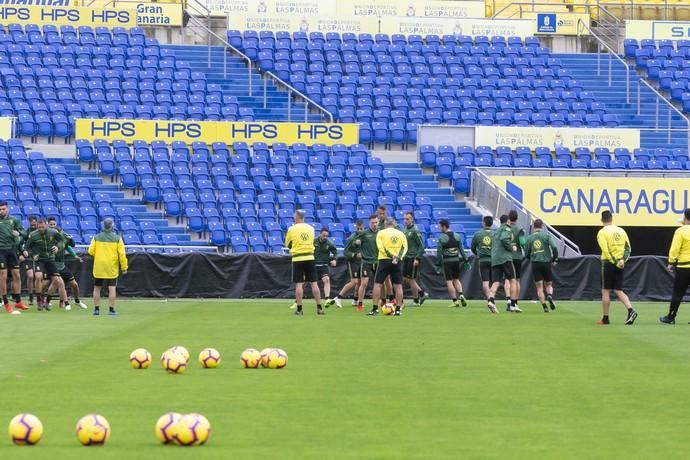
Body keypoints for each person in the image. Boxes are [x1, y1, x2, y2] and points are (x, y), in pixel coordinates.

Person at [596, 210, 637, 325]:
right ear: (612, 218)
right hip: (620, 263)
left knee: (605, 290)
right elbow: (628, 248)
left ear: (602, 219)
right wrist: (622, 260)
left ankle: (605, 318)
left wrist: (614, 261)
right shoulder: (621, 230)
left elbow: (605, 250)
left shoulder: (602, 232)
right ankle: (631, 310)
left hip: (609, 264)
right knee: (618, 290)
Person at [285, 210, 323, 316]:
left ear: (297, 217)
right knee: (314, 283)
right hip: (310, 257)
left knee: (299, 284)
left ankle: (299, 309)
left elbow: (288, 244)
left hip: (297, 258)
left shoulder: (291, 229)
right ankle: (319, 307)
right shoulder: (311, 228)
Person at [88, 218, 128, 316]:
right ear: (112, 226)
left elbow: (90, 251)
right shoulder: (117, 238)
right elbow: (122, 254)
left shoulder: (96, 237)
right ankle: (111, 310)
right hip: (111, 266)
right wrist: (124, 267)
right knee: (112, 288)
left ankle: (96, 309)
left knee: (97, 287)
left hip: (99, 266)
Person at [368, 217, 407, 316]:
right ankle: (398, 309)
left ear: (385, 224)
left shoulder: (381, 233)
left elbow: (380, 247)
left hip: (384, 260)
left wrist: (390, 256)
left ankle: (375, 308)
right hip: (397, 261)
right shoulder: (401, 234)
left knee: (378, 284)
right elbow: (405, 248)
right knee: (398, 285)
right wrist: (397, 258)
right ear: (394, 223)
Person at [48, 217, 87, 311]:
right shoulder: (49, 240)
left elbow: (70, 246)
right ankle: (65, 303)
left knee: (74, 284)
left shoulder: (63, 239)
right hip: (52, 265)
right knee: (59, 284)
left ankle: (77, 301)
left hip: (62, 266)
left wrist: (75, 256)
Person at [25, 218, 65, 311]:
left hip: (50, 259)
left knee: (56, 280)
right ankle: (39, 300)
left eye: (43, 227)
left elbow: (61, 241)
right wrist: (32, 254)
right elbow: (27, 247)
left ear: (46, 225)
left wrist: (57, 247)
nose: (41, 229)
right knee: (38, 276)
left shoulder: (53, 232)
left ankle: (47, 301)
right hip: (39, 260)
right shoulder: (33, 235)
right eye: (39, 227)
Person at [660, 208, 690, 324]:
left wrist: (671, 262)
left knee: (678, 292)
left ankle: (671, 317)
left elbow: (675, 248)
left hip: (684, 267)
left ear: (685, 217)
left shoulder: (681, 231)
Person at [524, 219, 558, 313]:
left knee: (539, 287)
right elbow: (554, 247)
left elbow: (526, 253)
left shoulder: (530, 238)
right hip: (546, 262)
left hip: (535, 263)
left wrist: (529, 258)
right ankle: (550, 296)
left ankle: (544, 306)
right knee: (549, 284)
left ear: (534, 226)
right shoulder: (546, 235)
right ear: (542, 226)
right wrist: (554, 258)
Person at [435, 219, 470, 308]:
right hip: (456, 260)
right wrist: (466, 260)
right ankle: (461, 294)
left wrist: (438, 264)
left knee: (449, 281)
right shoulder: (457, 236)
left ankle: (455, 301)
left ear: (443, 226)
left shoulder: (442, 238)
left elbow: (439, 253)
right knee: (457, 279)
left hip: (447, 261)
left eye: (440, 227)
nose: (439, 229)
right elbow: (462, 250)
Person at [0, 201, 27, 314]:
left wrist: (19, 234)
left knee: (16, 275)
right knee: (3, 276)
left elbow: (24, 233)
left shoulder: (14, 220)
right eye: (0, 209)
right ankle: (5, 303)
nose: (1, 211)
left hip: (11, 250)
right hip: (0, 250)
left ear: (8, 209)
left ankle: (18, 301)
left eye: (3, 209)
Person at [330, 220, 364, 309]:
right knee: (355, 281)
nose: (360, 230)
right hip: (353, 262)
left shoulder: (364, 237)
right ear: (355, 228)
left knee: (360, 282)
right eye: (358, 228)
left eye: (361, 228)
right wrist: (354, 255)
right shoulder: (351, 238)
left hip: (362, 262)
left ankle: (355, 300)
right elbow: (345, 252)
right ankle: (338, 297)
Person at [487, 214, 516, 314]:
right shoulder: (507, 229)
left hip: (495, 259)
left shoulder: (495, 232)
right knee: (512, 280)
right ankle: (512, 304)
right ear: (508, 220)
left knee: (496, 282)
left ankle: (491, 300)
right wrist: (510, 248)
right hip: (505, 258)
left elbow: (492, 244)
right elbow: (504, 239)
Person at [402, 212, 428, 306]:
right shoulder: (405, 230)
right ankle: (422, 293)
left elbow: (422, 245)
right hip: (407, 257)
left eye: (407, 219)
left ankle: (416, 300)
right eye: (404, 219)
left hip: (413, 257)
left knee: (411, 278)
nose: (405, 221)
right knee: (405, 278)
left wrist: (417, 258)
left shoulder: (415, 230)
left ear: (412, 219)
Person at [356, 214, 379, 312]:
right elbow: (355, 243)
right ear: (369, 223)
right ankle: (360, 303)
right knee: (364, 283)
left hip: (378, 261)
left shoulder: (381, 233)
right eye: (372, 222)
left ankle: (381, 302)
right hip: (366, 261)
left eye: (376, 222)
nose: (374, 224)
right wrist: (357, 244)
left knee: (380, 284)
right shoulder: (364, 233)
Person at [471, 215, 494, 302]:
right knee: (495, 282)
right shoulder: (495, 234)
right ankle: (492, 297)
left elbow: (472, 247)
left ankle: (489, 299)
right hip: (493, 260)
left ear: (484, 223)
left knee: (485, 282)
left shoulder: (478, 234)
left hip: (483, 260)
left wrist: (477, 254)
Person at [314, 228, 337, 307]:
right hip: (313, 265)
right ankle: (297, 301)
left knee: (326, 280)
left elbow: (335, 252)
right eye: (324, 235)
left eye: (327, 236)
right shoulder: (313, 241)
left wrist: (334, 259)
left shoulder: (330, 244)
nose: (325, 237)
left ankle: (327, 299)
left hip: (324, 265)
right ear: (320, 234)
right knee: (304, 283)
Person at [508, 210, 525, 312]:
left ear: (509, 218)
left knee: (508, 280)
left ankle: (509, 302)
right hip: (517, 257)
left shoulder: (506, 229)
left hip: (508, 257)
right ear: (517, 219)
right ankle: (516, 303)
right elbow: (523, 243)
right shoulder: (520, 229)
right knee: (517, 280)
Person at [19, 216, 38, 306]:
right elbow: (19, 243)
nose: (33, 224)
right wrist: (22, 253)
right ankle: (30, 296)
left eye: (35, 223)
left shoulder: (40, 232)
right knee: (30, 276)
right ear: (29, 222)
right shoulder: (26, 232)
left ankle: (40, 296)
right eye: (31, 223)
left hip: (39, 257)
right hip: (28, 257)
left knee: (39, 277)